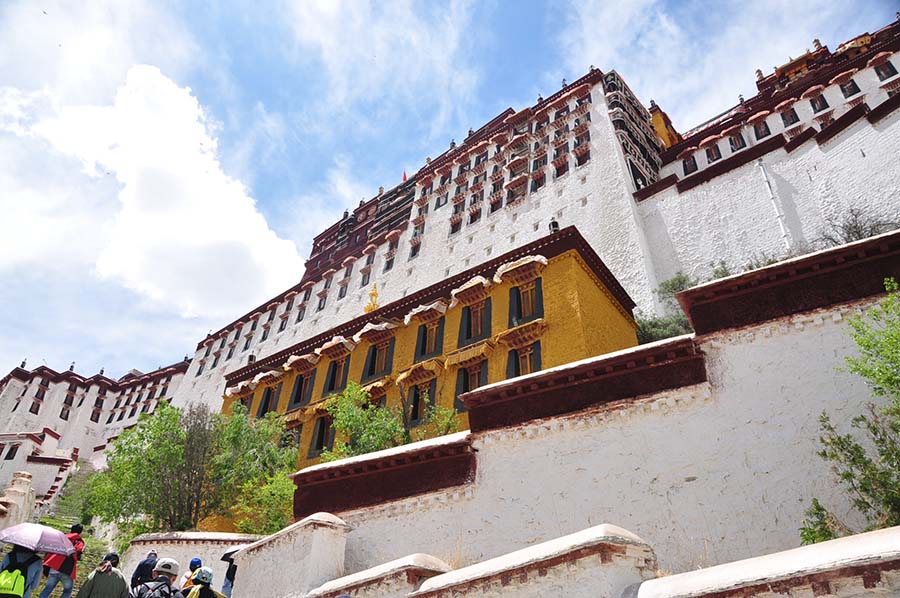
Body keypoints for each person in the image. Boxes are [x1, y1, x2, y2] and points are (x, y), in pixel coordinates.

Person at [38, 523, 84, 598]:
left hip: (54, 566)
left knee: (47, 589)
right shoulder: (79, 541)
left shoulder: (62, 538)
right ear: (80, 532)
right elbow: (78, 551)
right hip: (67, 569)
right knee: (67, 591)